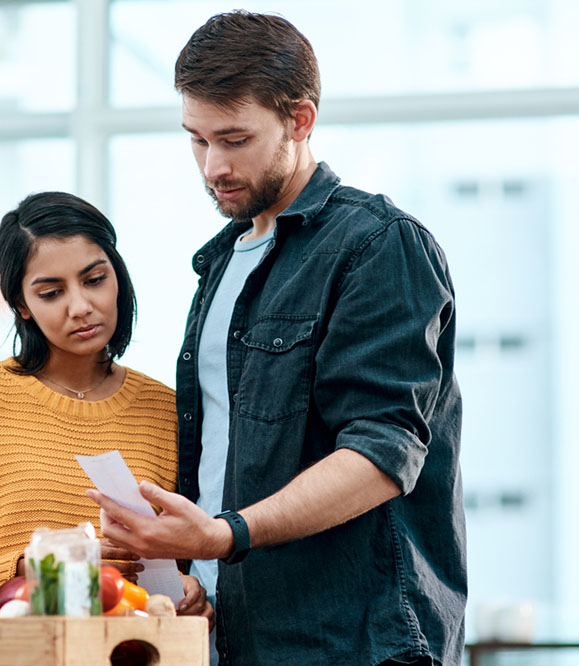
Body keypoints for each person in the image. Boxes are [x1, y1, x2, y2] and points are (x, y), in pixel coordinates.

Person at [88, 11, 465, 666]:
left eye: (234, 139)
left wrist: (226, 534)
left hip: (358, 642)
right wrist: (189, 567)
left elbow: (381, 455)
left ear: (300, 120)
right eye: (197, 140)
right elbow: (223, 464)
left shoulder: (376, 246)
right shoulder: (222, 263)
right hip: (239, 637)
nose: (213, 166)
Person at [0, 191, 211, 621]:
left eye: (95, 280)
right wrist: (35, 570)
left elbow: (200, 554)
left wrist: (195, 594)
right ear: (21, 304)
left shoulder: (170, 412)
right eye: (51, 292)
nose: (80, 307)